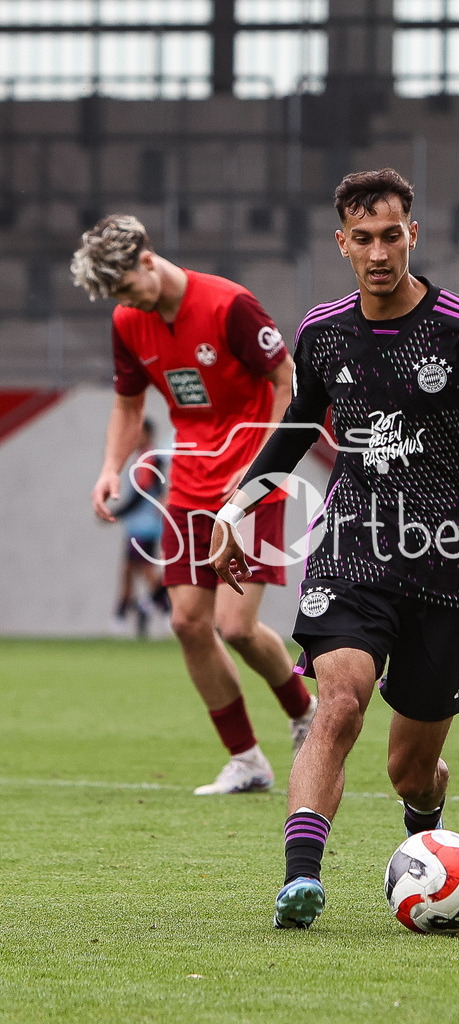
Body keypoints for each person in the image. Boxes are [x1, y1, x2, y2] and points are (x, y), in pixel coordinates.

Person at [209, 167, 459, 929]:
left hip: (450, 559)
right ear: (341, 244)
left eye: (391, 235)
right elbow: (299, 426)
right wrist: (234, 505)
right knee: (340, 701)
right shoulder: (325, 333)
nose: (378, 251)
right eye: (362, 238)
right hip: (353, 544)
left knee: (410, 767)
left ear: (413, 236)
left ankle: (425, 829)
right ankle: (302, 879)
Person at [71, 214, 317, 795]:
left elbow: (289, 382)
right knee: (186, 622)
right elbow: (129, 407)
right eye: (117, 296)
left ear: (147, 261)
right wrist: (110, 469)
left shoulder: (230, 306)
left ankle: (305, 713)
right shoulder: (129, 321)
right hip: (190, 483)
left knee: (235, 626)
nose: (127, 302)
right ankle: (247, 760)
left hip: (253, 480)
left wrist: (262, 471)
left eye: (128, 286)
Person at [109, 416, 171, 638]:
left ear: (147, 435)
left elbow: (142, 492)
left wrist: (117, 513)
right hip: (136, 526)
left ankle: (164, 610)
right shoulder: (143, 458)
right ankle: (123, 616)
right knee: (127, 571)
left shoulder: (149, 459)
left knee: (146, 571)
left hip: (146, 526)